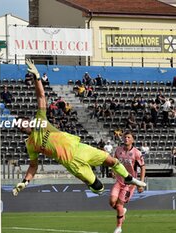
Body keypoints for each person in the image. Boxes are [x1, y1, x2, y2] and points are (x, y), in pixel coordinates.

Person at [12, 60, 146, 197]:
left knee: (112, 161)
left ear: (28, 121)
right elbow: (33, 166)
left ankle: (130, 179)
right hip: (71, 162)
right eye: (19, 127)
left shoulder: (41, 120)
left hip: (80, 147)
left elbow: (41, 96)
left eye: (22, 123)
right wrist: (25, 181)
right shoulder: (31, 145)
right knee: (98, 188)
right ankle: (94, 186)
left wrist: (37, 77)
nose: (21, 126)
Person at [109, 131, 146, 233]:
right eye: (125, 137)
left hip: (130, 184)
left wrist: (140, 184)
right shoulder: (118, 150)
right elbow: (114, 162)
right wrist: (112, 171)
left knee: (119, 205)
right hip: (119, 181)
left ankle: (119, 227)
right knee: (112, 202)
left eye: (129, 137)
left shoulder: (137, 153)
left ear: (132, 140)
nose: (126, 139)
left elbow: (143, 168)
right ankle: (122, 212)